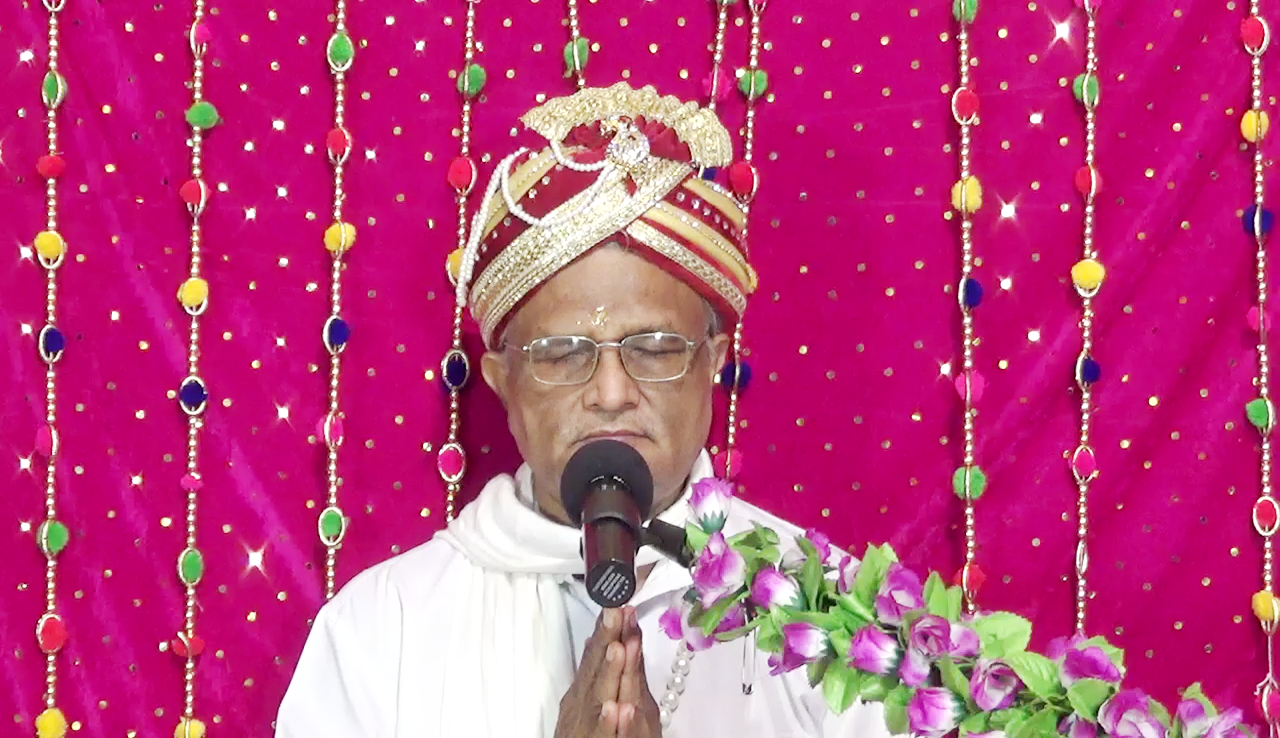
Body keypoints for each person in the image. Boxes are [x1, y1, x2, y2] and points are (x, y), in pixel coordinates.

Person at [275, 82, 890, 738]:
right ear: (503, 382)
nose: (611, 392)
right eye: (563, 354)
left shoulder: (834, 622)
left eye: (654, 348)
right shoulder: (384, 628)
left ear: (712, 361)